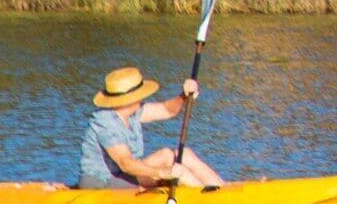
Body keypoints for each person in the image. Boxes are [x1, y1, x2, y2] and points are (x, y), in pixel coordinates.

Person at [78, 66, 227, 191]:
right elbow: (125, 163)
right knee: (176, 170)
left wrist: (184, 96)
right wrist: (162, 173)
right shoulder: (106, 122)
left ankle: (222, 190)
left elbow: (168, 110)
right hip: (102, 183)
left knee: (180, 154)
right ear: (130, 98)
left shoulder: (132, 112)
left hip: (125, 177)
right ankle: (204, 198)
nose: (143, 96)